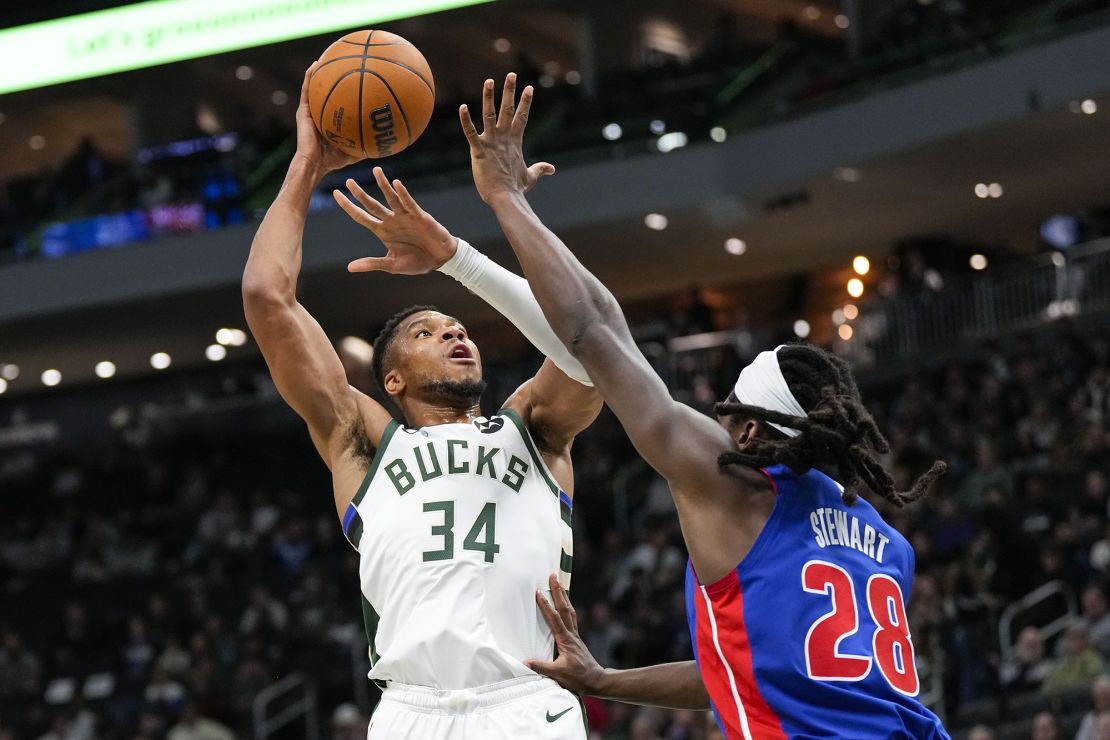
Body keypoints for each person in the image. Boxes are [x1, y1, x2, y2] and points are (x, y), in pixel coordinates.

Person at [378, 72, 950, 739]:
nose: (716, 417)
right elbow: (754, 668)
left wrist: (505, 199)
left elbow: (595, 329)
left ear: (753, 429)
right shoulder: (887, 543)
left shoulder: (731, 484)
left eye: (728, 408)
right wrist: (605, 683)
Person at [243, 64, 602, 739]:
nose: (454, 331)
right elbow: (268, 298)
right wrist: (306, 163)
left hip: (527, 700)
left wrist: (462, 251)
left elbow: (590, 342)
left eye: (458, 326)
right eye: (426, 331)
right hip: (410, 713)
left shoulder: (536, 429)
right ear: (393, 382)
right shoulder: (363, 443)